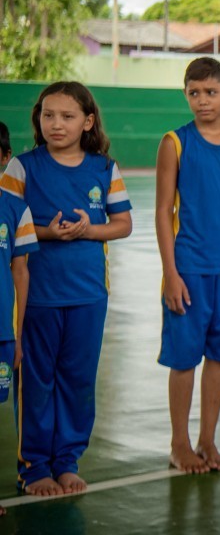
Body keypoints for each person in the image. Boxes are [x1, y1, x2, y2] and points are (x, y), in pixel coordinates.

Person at [0, 83, 133, 496]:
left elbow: (123, 224)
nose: (56, 124)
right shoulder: (21, 168)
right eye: (48, 115)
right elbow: (6, 226)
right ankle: (34, 467)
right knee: (36, 381)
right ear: (38, 120)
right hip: (36, 295)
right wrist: (48, 233)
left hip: (89, 294)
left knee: (77, 380)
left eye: (68, 116)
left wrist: (88, 229)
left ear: (88, 122)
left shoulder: (104, 168)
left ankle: (68, 461)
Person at [155, 57, 220, 474]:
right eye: (194, 93)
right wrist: (171, 273)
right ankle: (179, 443)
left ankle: (207, 440)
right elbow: (164, 211)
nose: (202, 101)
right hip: (190, 271)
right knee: (184, 359)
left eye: (211, 92)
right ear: (186, 94)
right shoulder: (174, 142)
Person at [0, 122, 38, 499]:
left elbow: (20, 270)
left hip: (2, 332)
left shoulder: (15, 210)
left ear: (5, 159)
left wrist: (17, 333)